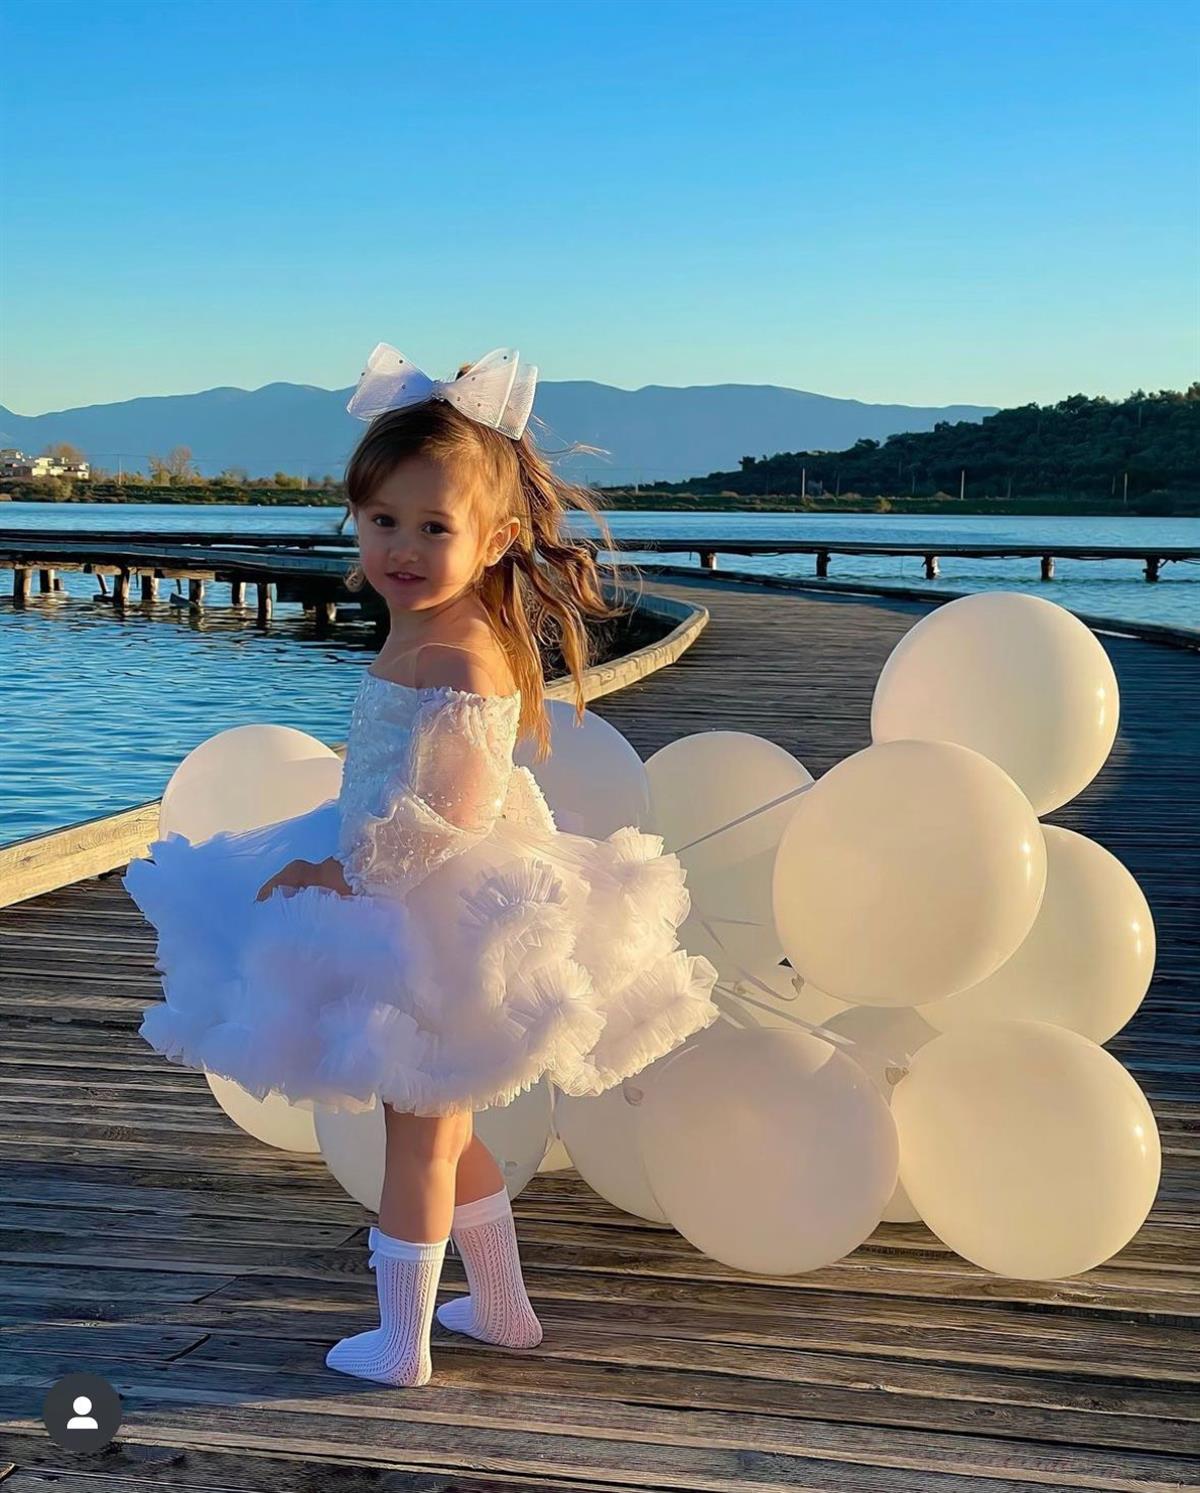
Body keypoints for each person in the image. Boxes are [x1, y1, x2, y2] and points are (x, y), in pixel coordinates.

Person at [123, 344, 722, 1389]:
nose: (400, 548)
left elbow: (447, 816)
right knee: (444, 1126)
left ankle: (402, 1343)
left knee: (419, 1141)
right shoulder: (430, 625)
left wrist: (334, 877)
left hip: (427, 917)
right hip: (402, 892)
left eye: (433, 528)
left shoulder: (458, 655)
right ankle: (503, 1306)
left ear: (494, 539)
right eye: (382, 519)